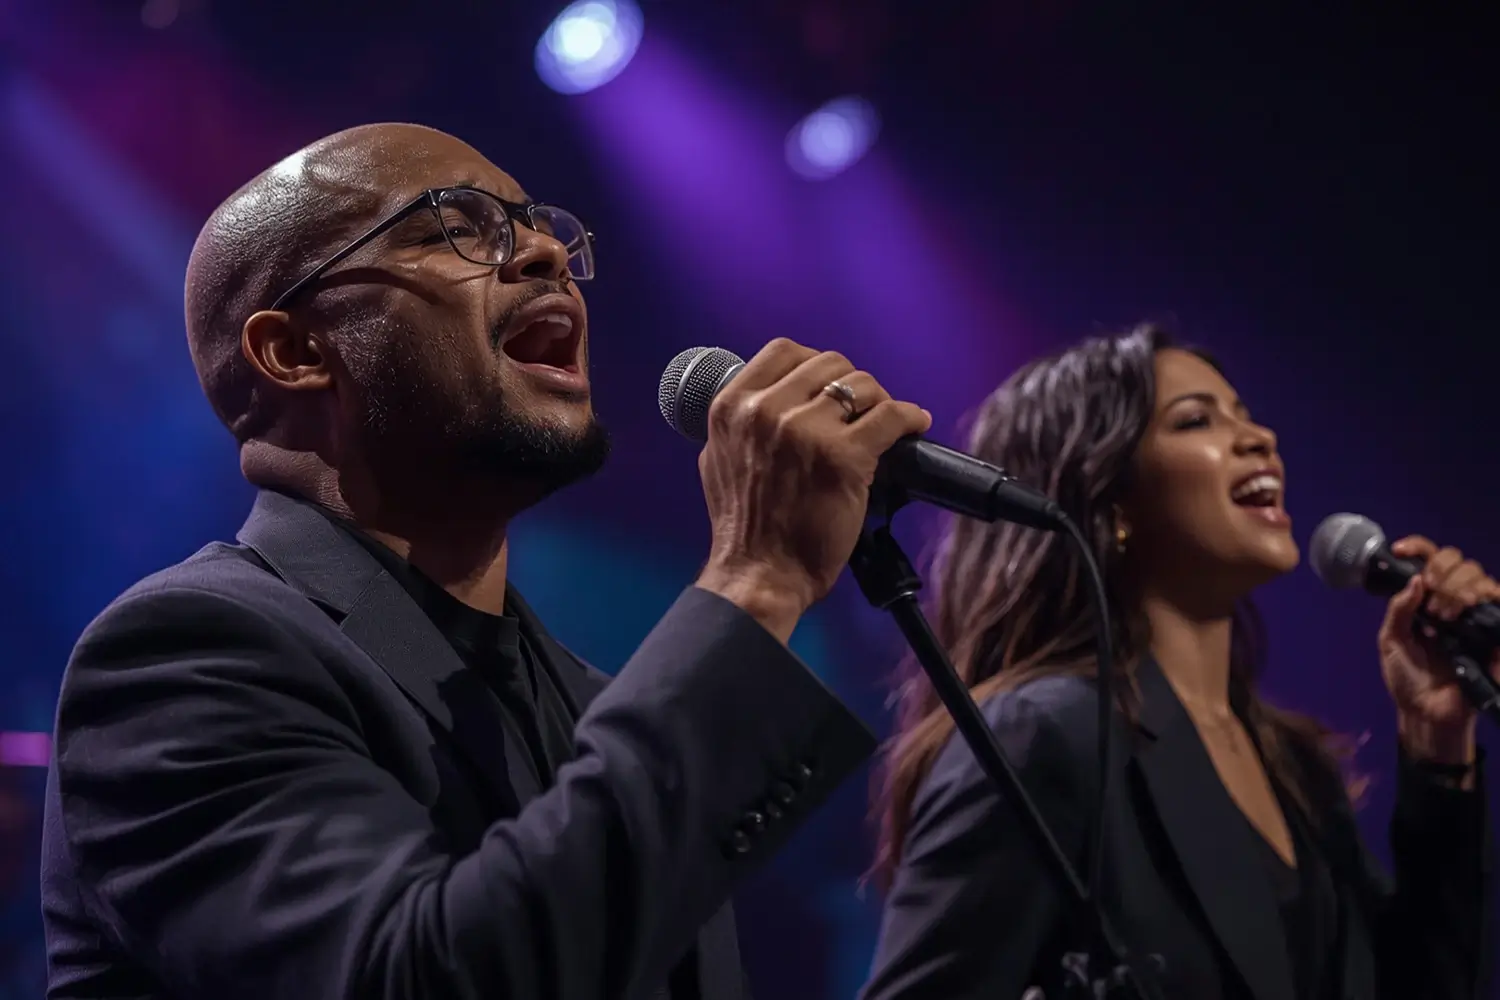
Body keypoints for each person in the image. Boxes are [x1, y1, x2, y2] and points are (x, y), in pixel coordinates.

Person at [39, 122, 933, 1000]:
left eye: (542, 225)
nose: (544, 253)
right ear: (297, 352)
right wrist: (759, 580)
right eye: (458, 226)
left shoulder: (598, 705)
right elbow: (423, 977)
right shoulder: (182, 660)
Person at [862, 324, 1493, 1000]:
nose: (1261, 439)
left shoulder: (1295, 766)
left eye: (1247, 415)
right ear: (1109, 499)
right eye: (1197, 421)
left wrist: (1437, 746)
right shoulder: (1044, 734)